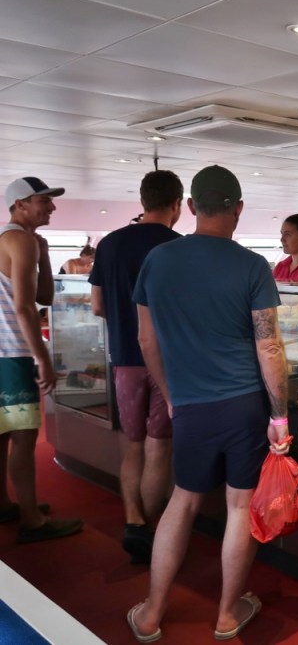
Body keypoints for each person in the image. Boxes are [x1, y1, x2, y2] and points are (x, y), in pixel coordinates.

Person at [127, 165, 290, 642]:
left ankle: (152, 614)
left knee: (184, 502)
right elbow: (270, 347)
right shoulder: (253, 266)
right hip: (244, 406)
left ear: (192, 207)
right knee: (240, 508)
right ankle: (225, 615)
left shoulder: (158, 259)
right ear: (239, 209)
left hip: (192, 405)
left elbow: (145, 339)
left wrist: (173, 395)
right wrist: (279, 416)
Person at [89, 170, 183, 564]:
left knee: (131, 445)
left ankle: (132, 520)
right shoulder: (179, 247)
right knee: (159, 447)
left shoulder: (109, 244)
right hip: (167, 363)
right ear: (177, 205)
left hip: (124, 361)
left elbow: (96, 306)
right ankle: (153, 528)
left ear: (142, 201)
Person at [0, 177, 83, 543]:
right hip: (13, 352)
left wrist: (45, 255)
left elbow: (44, 296)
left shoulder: (18, 241)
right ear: (20, 204)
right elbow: (23, 307)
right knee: (23, 435)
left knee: (3, 436)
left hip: (4, 351)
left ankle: (5, 504)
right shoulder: (20, 240)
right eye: (43, 201)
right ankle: (32, 520)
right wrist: (42, 358)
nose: (51, 207)